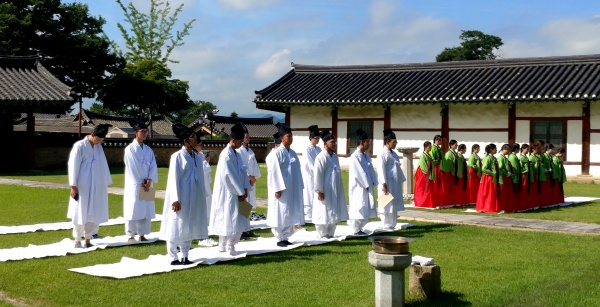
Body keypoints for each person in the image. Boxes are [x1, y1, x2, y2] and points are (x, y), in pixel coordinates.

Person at [159, 123, 208, 265]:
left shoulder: (198, 157)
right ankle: (172, 255)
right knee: (176, 224)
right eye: (192, 137)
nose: (196, 138)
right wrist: (175, 199)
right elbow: (173, 179)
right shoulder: (177, 157)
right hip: (182, 195)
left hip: (194, 195)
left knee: (189, 224)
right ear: (186, 141)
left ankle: (185, 254)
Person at [209, 122, 251, 256]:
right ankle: (227, 245)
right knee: (228, 217)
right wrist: (240, 191)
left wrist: (245, 188)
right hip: (229, 193)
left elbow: (243, 172)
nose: (241, 144)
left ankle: (230, 244)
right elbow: (229, 176)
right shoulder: (226, 155)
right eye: (240, 141)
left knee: (238, 217)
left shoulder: (237, 154)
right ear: (233, 141)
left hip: (239, 192)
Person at [68, 124, 113, 248]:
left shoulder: (98, 147)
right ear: (92, 135)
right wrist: (73, 185)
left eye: (102, 139)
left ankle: (88, 238)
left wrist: (104, 182)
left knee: (94, 210)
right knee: (80, 210)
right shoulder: (79, 146)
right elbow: (73, 165)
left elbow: (103, 164)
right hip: (83, 183)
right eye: (99, 138)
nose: (100, 141)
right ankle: (77, 239)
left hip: (97, 183)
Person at [266, 123, 305, 246]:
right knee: (280, 211)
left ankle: (286, 236)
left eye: (292, 136)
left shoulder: (292, 153)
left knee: (289, 211)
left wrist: (299, 185)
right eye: (288, 136)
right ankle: (279, 237)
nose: (291, 138)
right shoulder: (277, 153)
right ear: (282, 138)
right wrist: (277, 188)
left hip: (291, 187)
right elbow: (274, 172)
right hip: (281, 188)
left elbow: (297, 171)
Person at [123, 119, 158, 243]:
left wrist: (149, 180)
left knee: (146, 208)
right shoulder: (130, 150)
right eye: (142, 131)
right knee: (133, 207)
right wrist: (142, 182)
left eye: (146, 131)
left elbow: (153, 165)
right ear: (135, 133)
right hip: (135, 183)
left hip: (147, 183)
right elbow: (133, 167)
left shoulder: (149, 150)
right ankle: (131, 235)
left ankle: (142, 233)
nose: (145, 134)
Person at [312, 129, 348, 238]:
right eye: (332, 142)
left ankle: (331, 232)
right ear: (325, 143)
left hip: (334, 188)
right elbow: (318, 175)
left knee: (333, 209)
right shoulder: (321, 157)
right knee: (323, 210)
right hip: (325, 188)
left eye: (335, 142)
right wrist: (319, 190)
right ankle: (322, 233)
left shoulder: (335, 157)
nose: (334, 144)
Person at [347, 128, 378, 235]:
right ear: (362, 143)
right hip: (359, 186)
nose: (369, 144)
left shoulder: (366, 156)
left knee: (365, 205)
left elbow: (370, 169)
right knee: (358, 205)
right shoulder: (355, 156)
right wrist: (366, 183)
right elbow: (358, 172)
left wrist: (374, 180)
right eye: (367, 142)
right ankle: (355, 228)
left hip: (366, 185)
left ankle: (360, 227)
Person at [377, 129, 406, 229]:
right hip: (387, 182)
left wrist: (400, 180)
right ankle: (385, 224)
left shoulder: (394, 154)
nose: (395, 144)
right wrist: (383, 183)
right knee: (386, 204)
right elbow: (381, 169)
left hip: (394, 183)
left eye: (396, 142)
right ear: (387, 142)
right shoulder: (382, 153)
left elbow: (397, 168)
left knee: (394, 204)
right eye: (394, 142)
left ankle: (393, 224)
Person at [237, 127, 262, 239]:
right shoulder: (238, 151)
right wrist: (249, 177)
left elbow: (254, 165)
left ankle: (247, 228)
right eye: (246, 136)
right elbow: (240, 167)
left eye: (248, 136)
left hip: (251, 182)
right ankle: (241, 230)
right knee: (242, 205)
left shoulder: (250, 150)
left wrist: (254, 177)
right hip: (243, 181)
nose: (248, 138)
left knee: (248, 206)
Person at [302, 125, 321, 221]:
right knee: (309, 193)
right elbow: (308, 164)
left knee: (316, 192)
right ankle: (308, 213)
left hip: (317, 174)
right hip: (310, 175)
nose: (317, 140)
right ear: (310, 138)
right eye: (315, 138)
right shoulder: (307, 149)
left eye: (318, 138)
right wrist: (317, 172)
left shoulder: (319, 149)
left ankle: (316, 211)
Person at [476, 144, 502, 213]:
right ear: (491, 150)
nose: (496, 150)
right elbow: (484, 169)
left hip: (493, 177)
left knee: (493, 192)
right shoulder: (487, 158)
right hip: (488, 178)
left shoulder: (494, 158)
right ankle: (487, 207)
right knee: (488, 192)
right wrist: (493, 173)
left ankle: (493, 206)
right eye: (495, 149)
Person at [414, 141, 435, 208]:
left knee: (428, 188)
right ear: (425, 147)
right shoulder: (423, 156)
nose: (430, 147)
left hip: (428, 173)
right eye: (429, 146)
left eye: (431, 146)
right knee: (423, 188)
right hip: (423, 174)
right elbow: (423, 166)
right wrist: (427, 173)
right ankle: (421, 202)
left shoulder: (429, 155)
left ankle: (428, 201)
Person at [497, 144, 515, 212]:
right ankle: (502, 207)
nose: (509, 151)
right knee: (503, 193)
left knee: (507, 193)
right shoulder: (501, 158)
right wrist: (507, 173)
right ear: (504, 149)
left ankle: (507, 207)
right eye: (508, 150)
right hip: (504, 177)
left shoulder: (504, 157)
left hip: (507, 177)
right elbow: (500, 168)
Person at [440, 139, 458, 206]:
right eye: (455, 145)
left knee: (454, 187)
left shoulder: (455, 153)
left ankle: (453, 200)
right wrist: (452, 169)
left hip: (455, 171)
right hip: (450, 172)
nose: (456, 146)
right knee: (449, 187)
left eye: (457, 145)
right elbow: (449, 163)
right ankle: (448, 200)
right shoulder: (448, 153)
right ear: (451, 145)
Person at [508, 144, 523, 211]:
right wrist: (516, 176)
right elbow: (515, 168)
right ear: (516, 149)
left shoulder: (513, 156)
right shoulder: (513, 157)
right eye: (518, 148)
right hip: (514, 176)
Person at [430, 135, 443, 206]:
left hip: (439, 167)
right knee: (435, 183)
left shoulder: (439, 148)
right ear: (437, 140)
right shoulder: (433, 148)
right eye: (440, 140)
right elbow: (432, 159)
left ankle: (438, 199)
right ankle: (434, 199)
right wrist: (437, 161)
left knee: (439, 183)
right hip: (435, 167)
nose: (441, 142)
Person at [519, 144, 532, 211]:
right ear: (523, 149)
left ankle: (527, 204)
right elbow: (520, 167)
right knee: (524, 188)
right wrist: (527, 167)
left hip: (527, 174)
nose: (528, 151)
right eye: (527, 149)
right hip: (523, 174)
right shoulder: (521, 157)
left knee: (527, 189)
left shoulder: (526, 157)